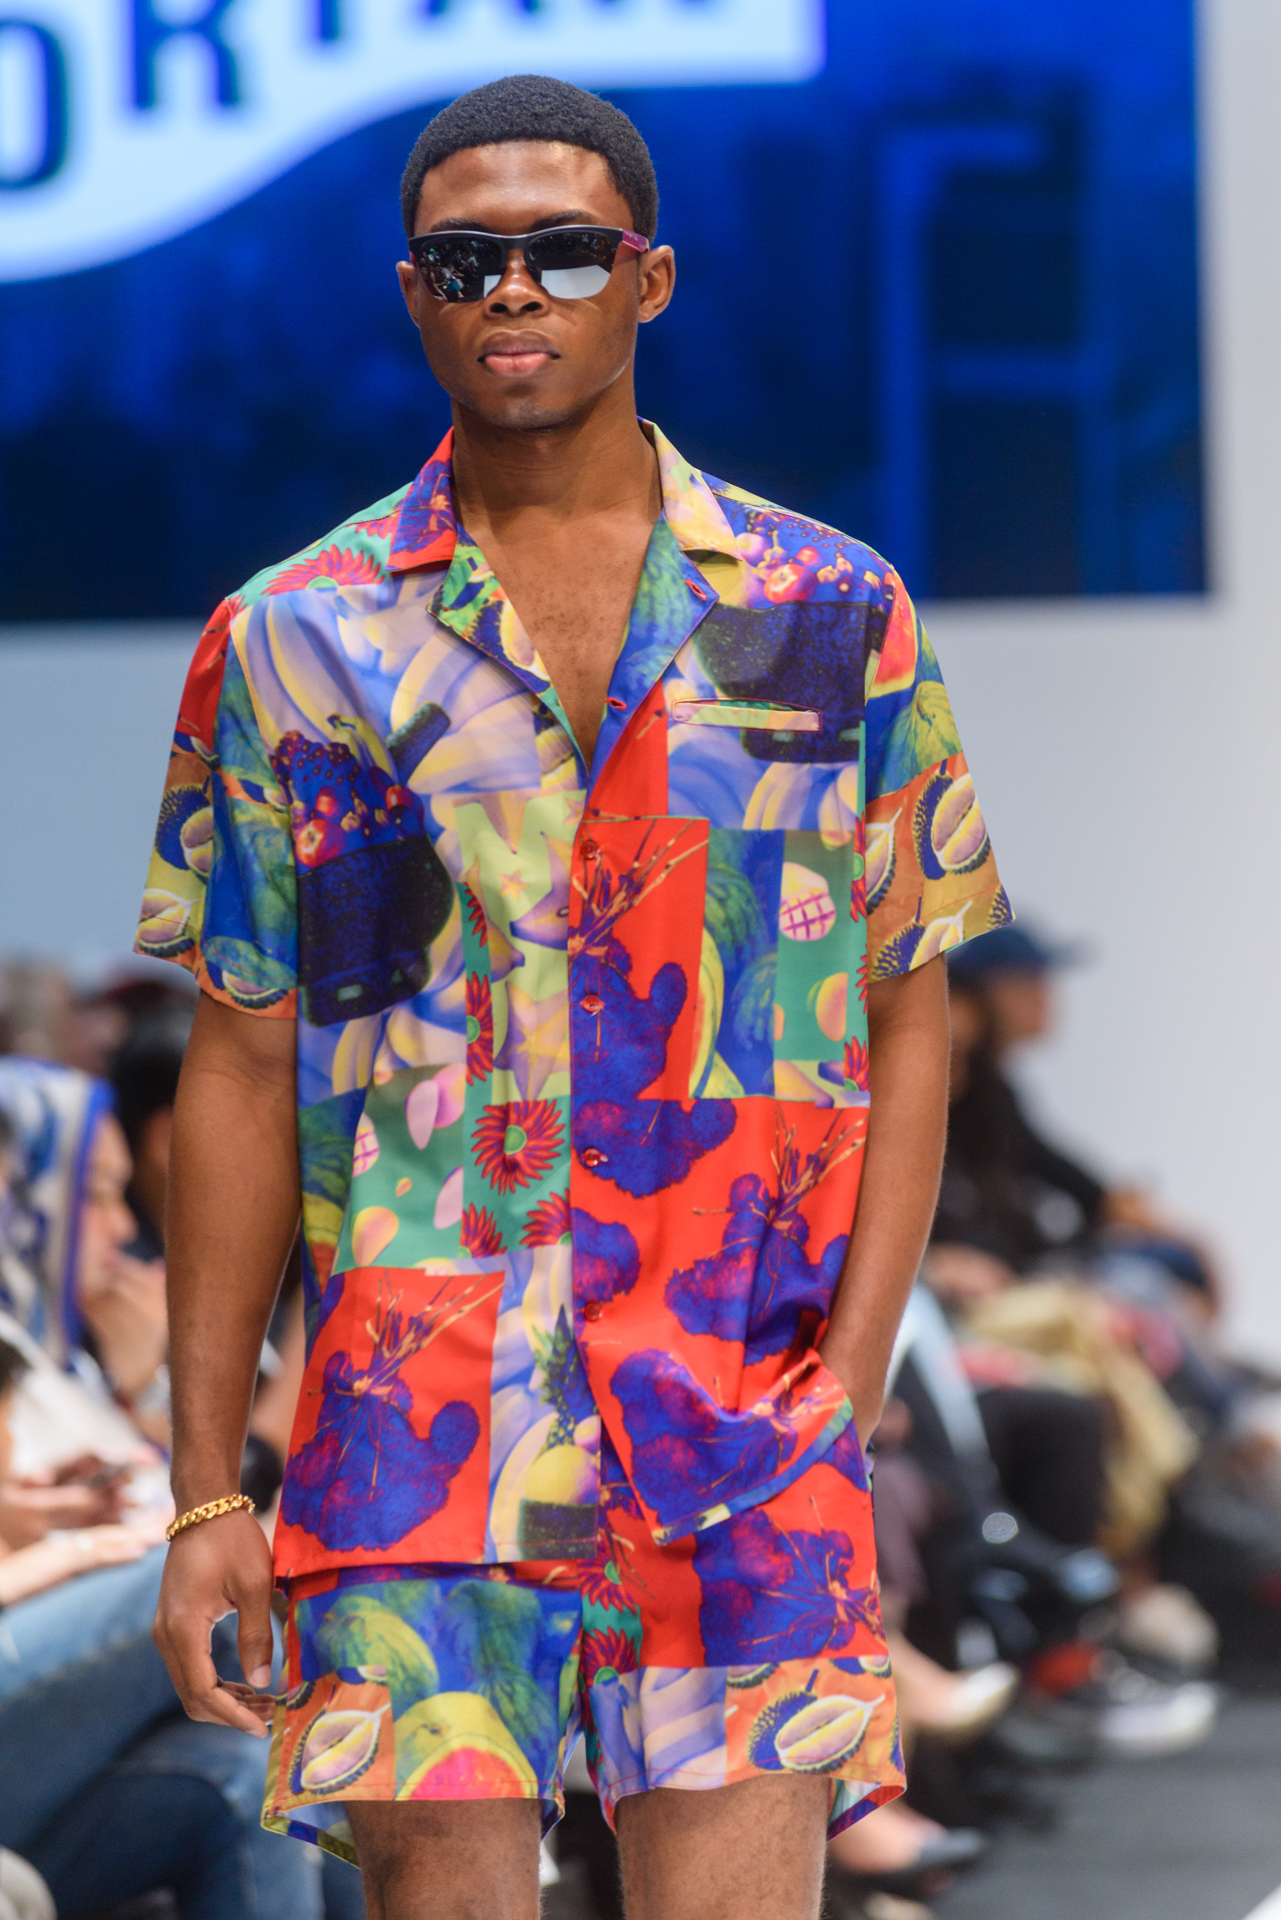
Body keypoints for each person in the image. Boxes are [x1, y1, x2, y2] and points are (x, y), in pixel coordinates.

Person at [141, 74, 1009, 1920]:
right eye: (467, 259)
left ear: (648, 278)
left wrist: (850, 1380)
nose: (514, 288)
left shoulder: (831, 611)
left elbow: (903, 1006)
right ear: (415, 295)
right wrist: (209, 1491)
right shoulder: (292, 639)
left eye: (563, 250)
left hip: (739, 1418)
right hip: (413, 1432)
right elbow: (239, 1065)